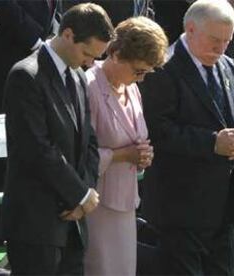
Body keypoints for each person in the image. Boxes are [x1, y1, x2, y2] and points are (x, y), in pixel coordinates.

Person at [139, 0, 234, 275]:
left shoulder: (230, 66)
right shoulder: (161, 69)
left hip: (224, 207)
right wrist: (212, 142)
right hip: (179, 207)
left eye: (227, 41)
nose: (221, 48)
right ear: (190, 29)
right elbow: (156, 131)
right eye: (215, 40)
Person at [0, 3, 114, 274]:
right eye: (87, 53)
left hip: (72, 223)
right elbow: (36, 149)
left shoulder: (77, 75)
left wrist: (82, 200)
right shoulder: (26, 75)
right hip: (35, 224)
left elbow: (89, 142)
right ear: (67, 35)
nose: (90, 63)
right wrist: (80, 194)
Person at [0, 0, 61, 245]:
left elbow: (53, 14)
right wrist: (39, 44)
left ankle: (15, 229)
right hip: (2, 75)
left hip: (39, 73)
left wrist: (53, 42)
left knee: (23, 152)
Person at [84, 16, 167, 275]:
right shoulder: (88, 86)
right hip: (95, 204)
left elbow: (134, 139)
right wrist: (123, 155)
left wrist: (143, 155)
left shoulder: (131, 89)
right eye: (139, 70)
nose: (141, 79)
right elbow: (79, 154)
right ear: (117, 54)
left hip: (126, 201)